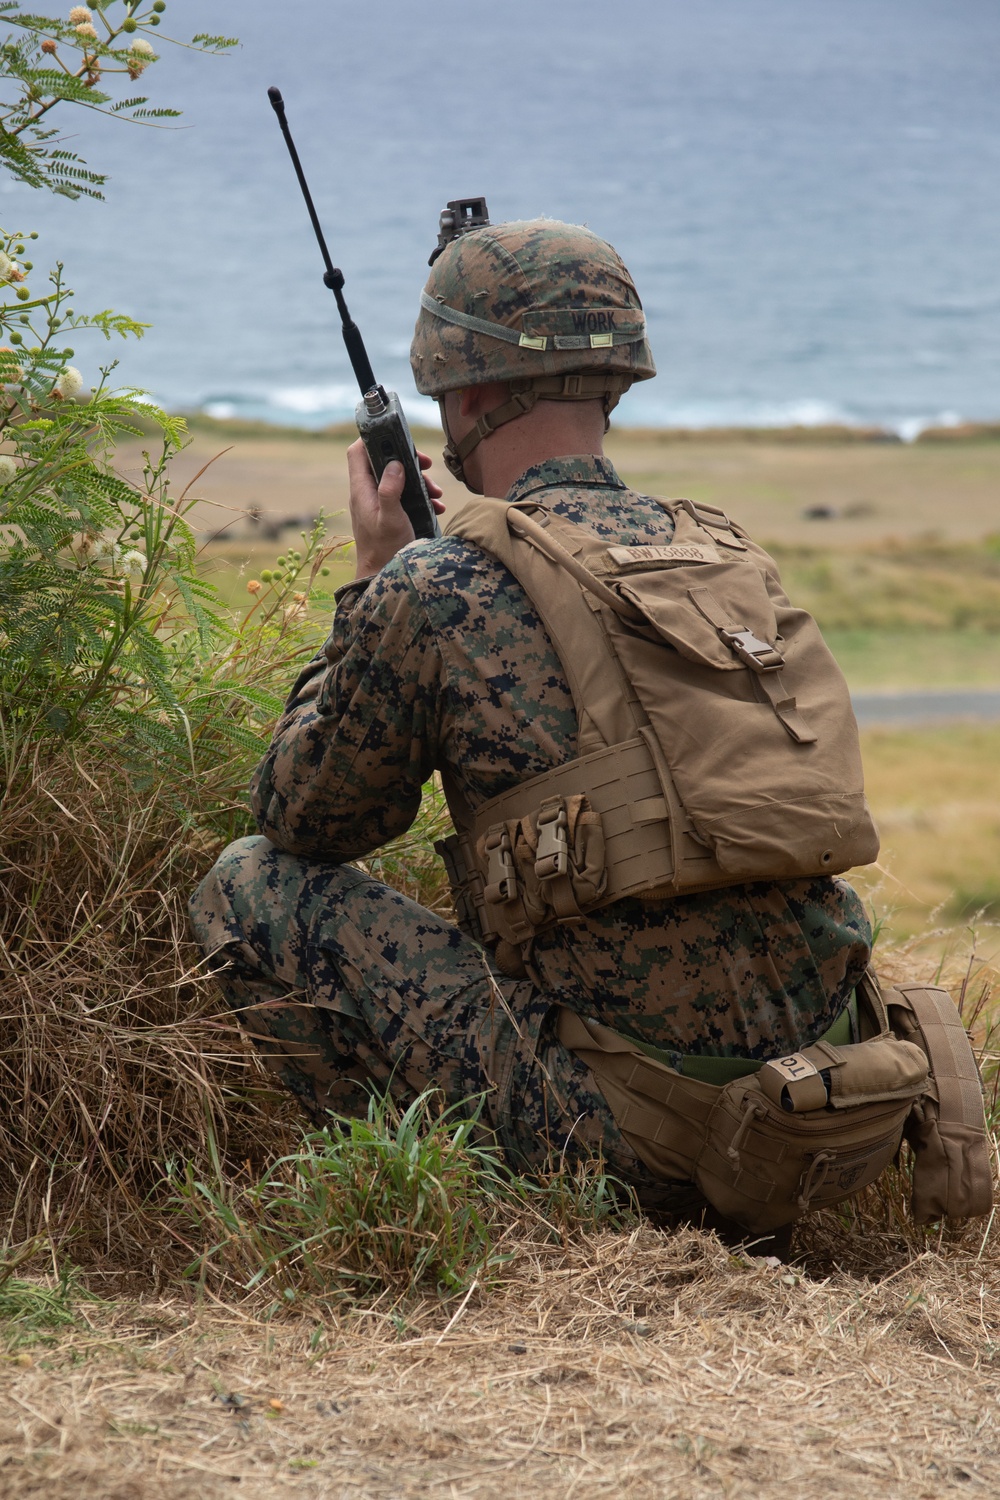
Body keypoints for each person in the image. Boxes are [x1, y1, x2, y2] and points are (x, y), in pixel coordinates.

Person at [189, 218, 875, 1225]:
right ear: (612, 380)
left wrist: (373, 581)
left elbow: (305, 821)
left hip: (621, 1138)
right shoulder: (725, 555)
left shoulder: (438, 584)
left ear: (462, 396)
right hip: (819, 1106)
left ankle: (435, 1206)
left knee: (249, 886)